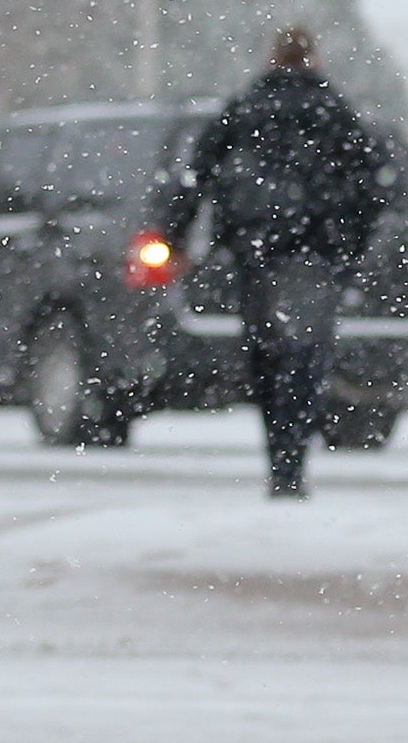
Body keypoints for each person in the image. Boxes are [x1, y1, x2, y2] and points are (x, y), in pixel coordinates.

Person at [154, 27, 390, 498]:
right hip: (316, 250)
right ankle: (293, 461)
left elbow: (197, 172)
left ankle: (278, 456)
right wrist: (350, 245)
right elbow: (372, 184)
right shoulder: (335, 112)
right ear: (315, 59)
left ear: (273, 58)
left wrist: (177, 235)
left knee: (267, 353)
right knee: (308, 354)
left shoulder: (245, 108)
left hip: (256, 248)